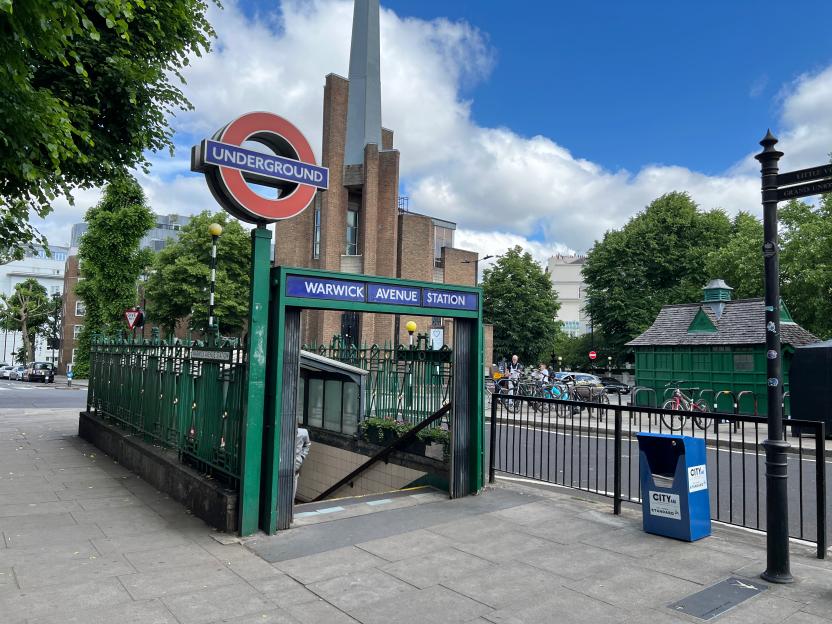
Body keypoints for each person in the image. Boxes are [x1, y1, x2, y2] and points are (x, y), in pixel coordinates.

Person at [294, 424, 311, 501]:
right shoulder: (281, 433)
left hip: (296, 464)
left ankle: (290, 505)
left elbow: (307, 444)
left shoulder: (303, 432)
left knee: (293, 489)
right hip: (282, 465)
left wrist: (302, 456)